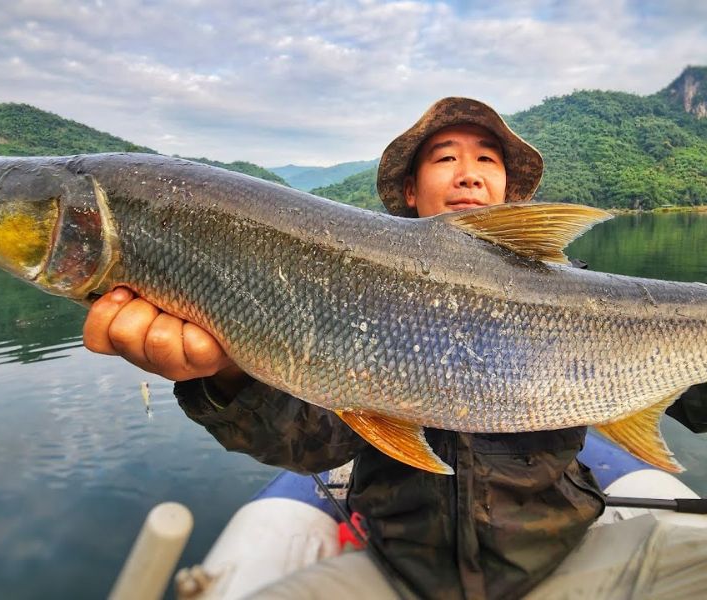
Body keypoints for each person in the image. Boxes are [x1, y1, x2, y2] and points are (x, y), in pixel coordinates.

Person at [83, 98, 706, 599]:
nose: (469, 171)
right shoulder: (342, 288)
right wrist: (223, 376)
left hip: (571, 558)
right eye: (446, 158)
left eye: (488, 159)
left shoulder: (594, 298)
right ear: (410, 191)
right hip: (397, 573)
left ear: (512, 198)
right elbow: (317, 443)